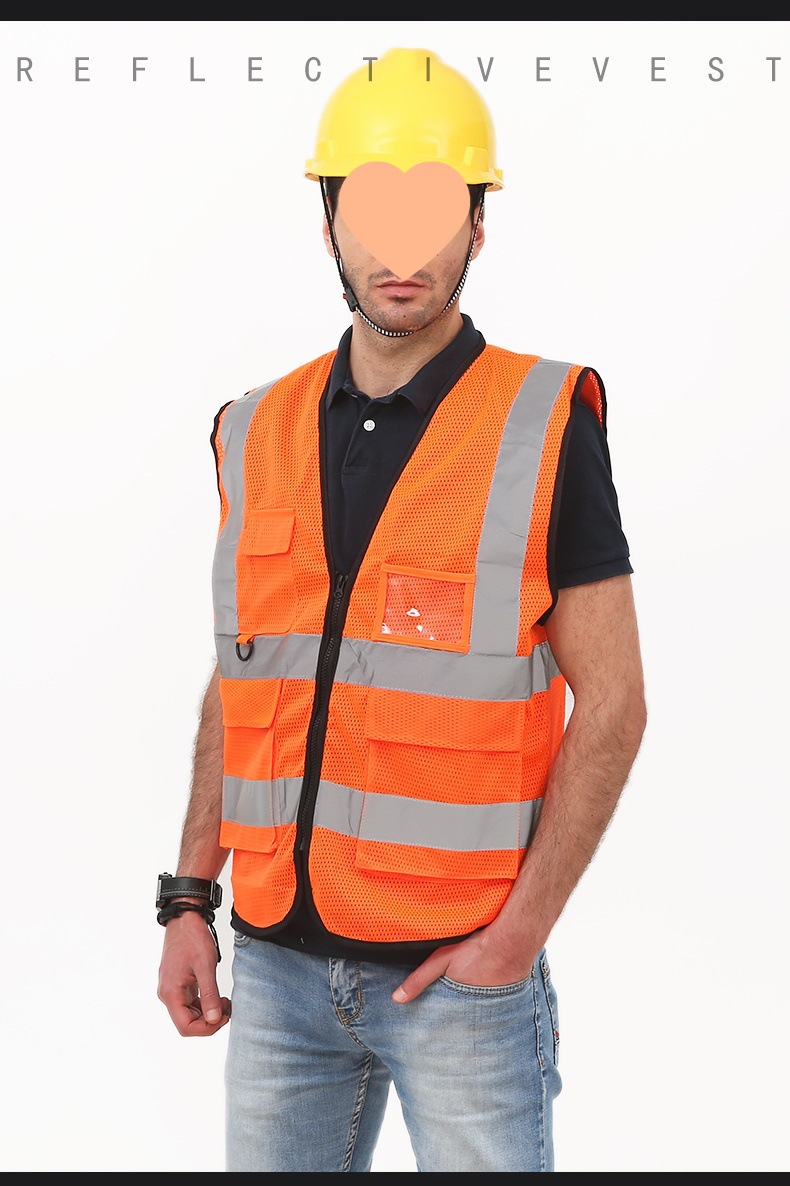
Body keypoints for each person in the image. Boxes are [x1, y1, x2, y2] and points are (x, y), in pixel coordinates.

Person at [156, 46, 647, 1173]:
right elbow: (246, 677)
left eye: (433, 216)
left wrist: (516, 939)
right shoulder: (253, 428)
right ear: (328, 223)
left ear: (477, 227)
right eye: (375, 214)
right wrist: (189, 895)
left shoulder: (544, 424)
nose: (404, 252)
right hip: (273, 970)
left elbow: (616, 703)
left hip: (459, 984)